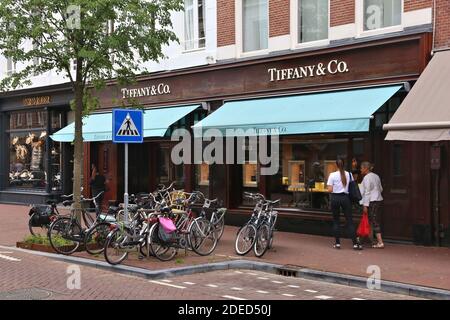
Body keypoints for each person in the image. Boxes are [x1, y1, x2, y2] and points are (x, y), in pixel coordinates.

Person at [327, 158, 362, 250]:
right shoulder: (349, 174)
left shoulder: (332, 175)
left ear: (336, 165)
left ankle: (337, 243)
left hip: (335, 198)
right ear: (344, 164)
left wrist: (334, 188)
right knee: (349, 221)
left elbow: (330, 190)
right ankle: (354, 243)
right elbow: (353, 185)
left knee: (336, 221)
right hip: (345, 198)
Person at [359, 161, 384, 248]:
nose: (360, 170)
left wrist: (365, 205)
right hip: (378, 200)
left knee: (373, 220)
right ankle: (369, 239)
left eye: (361, 168)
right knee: (371, 220)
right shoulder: (376, 176)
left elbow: (367, 192)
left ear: (365, 168)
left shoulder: (367, 178)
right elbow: (381, 188)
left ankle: (380, 242)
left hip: (371, 201)